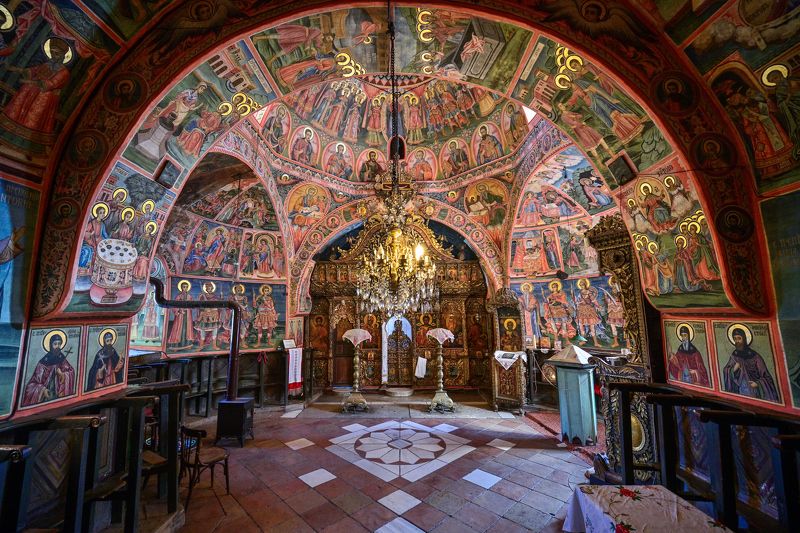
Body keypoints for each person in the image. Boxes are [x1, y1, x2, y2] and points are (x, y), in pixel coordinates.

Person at [722, 326, 780, 402]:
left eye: (739, 338)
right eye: (735, 339)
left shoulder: (755, 356)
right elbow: (726, 370)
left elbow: (767, 377)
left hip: (754, 392)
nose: (737, 341)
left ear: (744, 339)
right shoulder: (734, 355)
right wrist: (734, 369)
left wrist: (757, 384)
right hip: (740, 392)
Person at [22, 331, 76, 406]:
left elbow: (71, 371)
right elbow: (32, 385)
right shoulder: (43, 362)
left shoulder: (61, 358)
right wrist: (42, 389)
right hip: (46, 396)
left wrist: (63, 374)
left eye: (59, 344)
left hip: (58, 395)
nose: (58, 346)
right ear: (50, 345)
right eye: (55, 344)